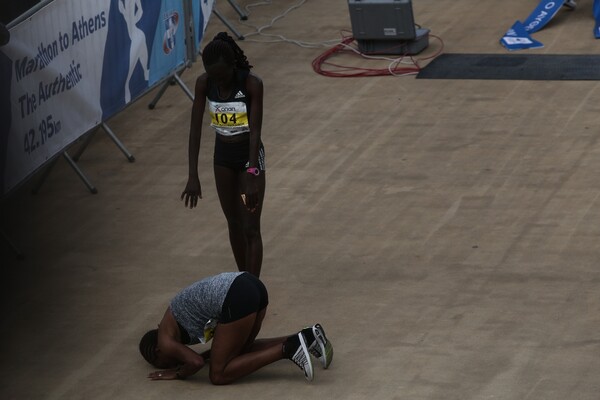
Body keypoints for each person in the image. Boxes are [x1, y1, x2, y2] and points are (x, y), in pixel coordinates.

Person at [139, 271, 333, 384]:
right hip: (249, 284)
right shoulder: (171, 320)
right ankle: (306, 337)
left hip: (234, 295)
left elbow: (195, 362)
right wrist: (210, 355)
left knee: (218, 374)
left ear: (158, 350)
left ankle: (288, 349)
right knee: (242, 351)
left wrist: (178, 373)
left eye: (164, 363)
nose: (172, 364)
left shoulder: (165, 340)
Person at [181, 32, 266, 278]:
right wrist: (192, 176)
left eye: (223, 76)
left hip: (248, 158)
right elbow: (195, 131)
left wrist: (251, 174)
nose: (219, 82)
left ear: (232, 67)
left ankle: (254, 288)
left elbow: (255, 133)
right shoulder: (204, 84)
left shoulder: (252, 84)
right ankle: (244, 283)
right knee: (234, 224)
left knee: (251, 226)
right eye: (213, 77)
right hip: (223, 158)